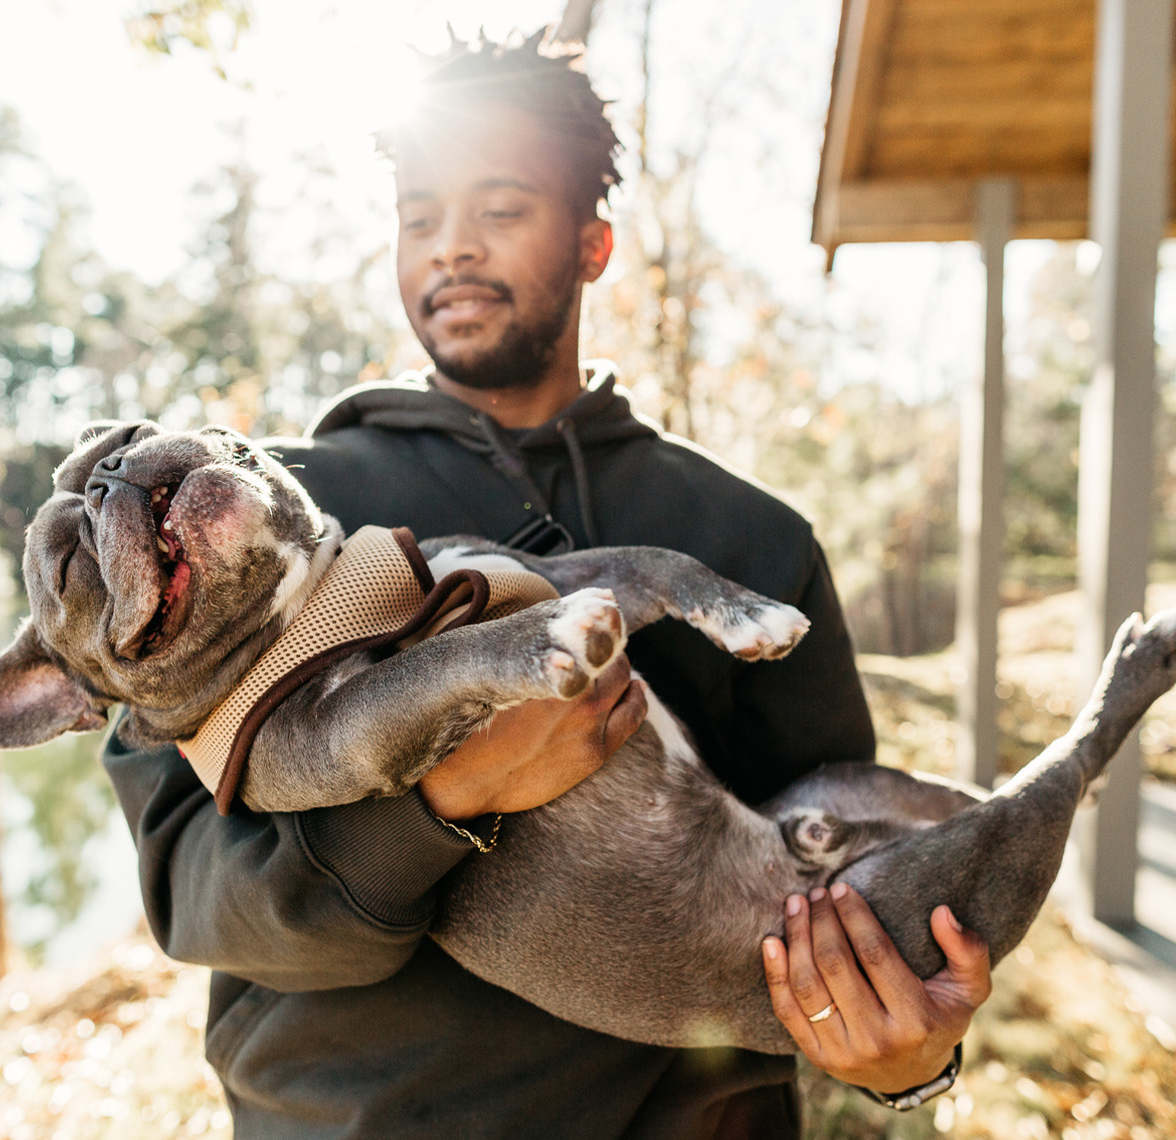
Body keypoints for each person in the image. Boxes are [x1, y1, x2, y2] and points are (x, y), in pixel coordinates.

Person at [100, 31, 991, 1139]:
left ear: (591, 243)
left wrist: (906, 1059)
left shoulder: (748, 540)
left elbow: (838, 882)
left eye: (500, 209)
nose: (450, 249)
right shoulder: (262, 515)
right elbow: (193, 886)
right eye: (418, 216)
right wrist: (443, 804)